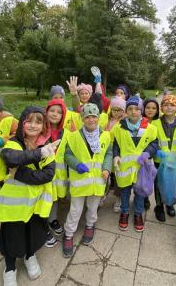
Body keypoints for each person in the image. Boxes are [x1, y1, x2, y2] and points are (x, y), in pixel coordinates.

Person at [0, 106, 57, 285]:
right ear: (21, 123)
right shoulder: (13, 143)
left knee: (32, 233)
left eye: (39, 121)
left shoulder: (46, 145)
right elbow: (11, 158)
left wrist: (18, 173)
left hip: (35, 204)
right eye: (29, 120)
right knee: (12, 236)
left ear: (44, 126)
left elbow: (48, 174)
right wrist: (39, 154)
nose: (33, 125)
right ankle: (9, 268)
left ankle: (29, 256)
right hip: (14, 206)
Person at [62, 103, 112, 258]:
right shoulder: (74, 136)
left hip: (97, 182)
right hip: (80, 181)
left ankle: (90, 225)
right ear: (82, 119)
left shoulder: (105, 135)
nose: (91, 120)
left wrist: (106, 168)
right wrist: (76, 164)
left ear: (99, 118)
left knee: (92, 207)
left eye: (94, 117)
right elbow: (68, 154)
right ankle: (69, 234)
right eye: (87, 117)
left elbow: (108, 153)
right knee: (75, 210)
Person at [112, 96, 158, 232]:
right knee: (125, 192)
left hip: (141, 167)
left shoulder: (150, 128)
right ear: (126, 111)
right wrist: (116, 156)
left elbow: (154, 144)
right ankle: (125, 212)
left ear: (141, 110)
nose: (133, 112)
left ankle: (138, 214)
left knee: (140, 192)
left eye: (137, 109)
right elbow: (116, 144)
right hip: (125, 168)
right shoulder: (119, 128)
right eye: (130, 109)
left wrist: (148, 153)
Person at [36, 98, 69, 248]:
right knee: (42, 198)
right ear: (46, 112)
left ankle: (53, 219)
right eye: (52, 111)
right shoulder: (39, 130)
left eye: (59, 112)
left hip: (58, 174)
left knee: (54, 197)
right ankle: (43, 227)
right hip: (42, 173)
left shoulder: (65, 133)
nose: (55, 114)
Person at [151, 95, 176, 221]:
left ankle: (170, 204)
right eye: (166, 105)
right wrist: (157, 151)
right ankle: (159, 206)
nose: (169, 108)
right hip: (159, 161)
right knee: (159, 184)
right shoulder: (155, 123)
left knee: (172, 183)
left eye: (172, 105)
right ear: (161, 108)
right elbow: (152, 140)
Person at [105, 97, 126, 212]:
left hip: (119, 151)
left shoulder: (124, 122)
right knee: (106, 174)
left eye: (119, 110)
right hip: (106, 150)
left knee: (119, 177)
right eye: (114, 109)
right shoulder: (106, 120)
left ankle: (118, 198)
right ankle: (103, 194)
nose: (116, 112)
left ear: (123, 110)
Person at [142, 97, 160, 210]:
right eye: (148, 107)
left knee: (152, 179)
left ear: (157, 110)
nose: (150, 110)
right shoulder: (139, 120)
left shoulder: (160, 122)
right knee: (143, 179)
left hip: (157, 155)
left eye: (153, 108)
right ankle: (144, 198)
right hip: (143, 155)